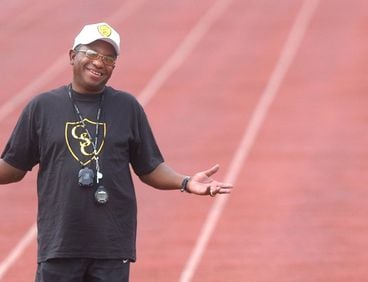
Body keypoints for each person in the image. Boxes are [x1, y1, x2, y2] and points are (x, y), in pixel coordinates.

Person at [0, 22, 233, 281]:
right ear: (72, 55)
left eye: (109, 58)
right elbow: (13, 167)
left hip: (111, 244)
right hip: (60, 243)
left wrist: (187, 182)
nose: (99, 63)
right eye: (91, 53)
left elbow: (150, 167)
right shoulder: (42, 108)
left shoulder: (127, 107)